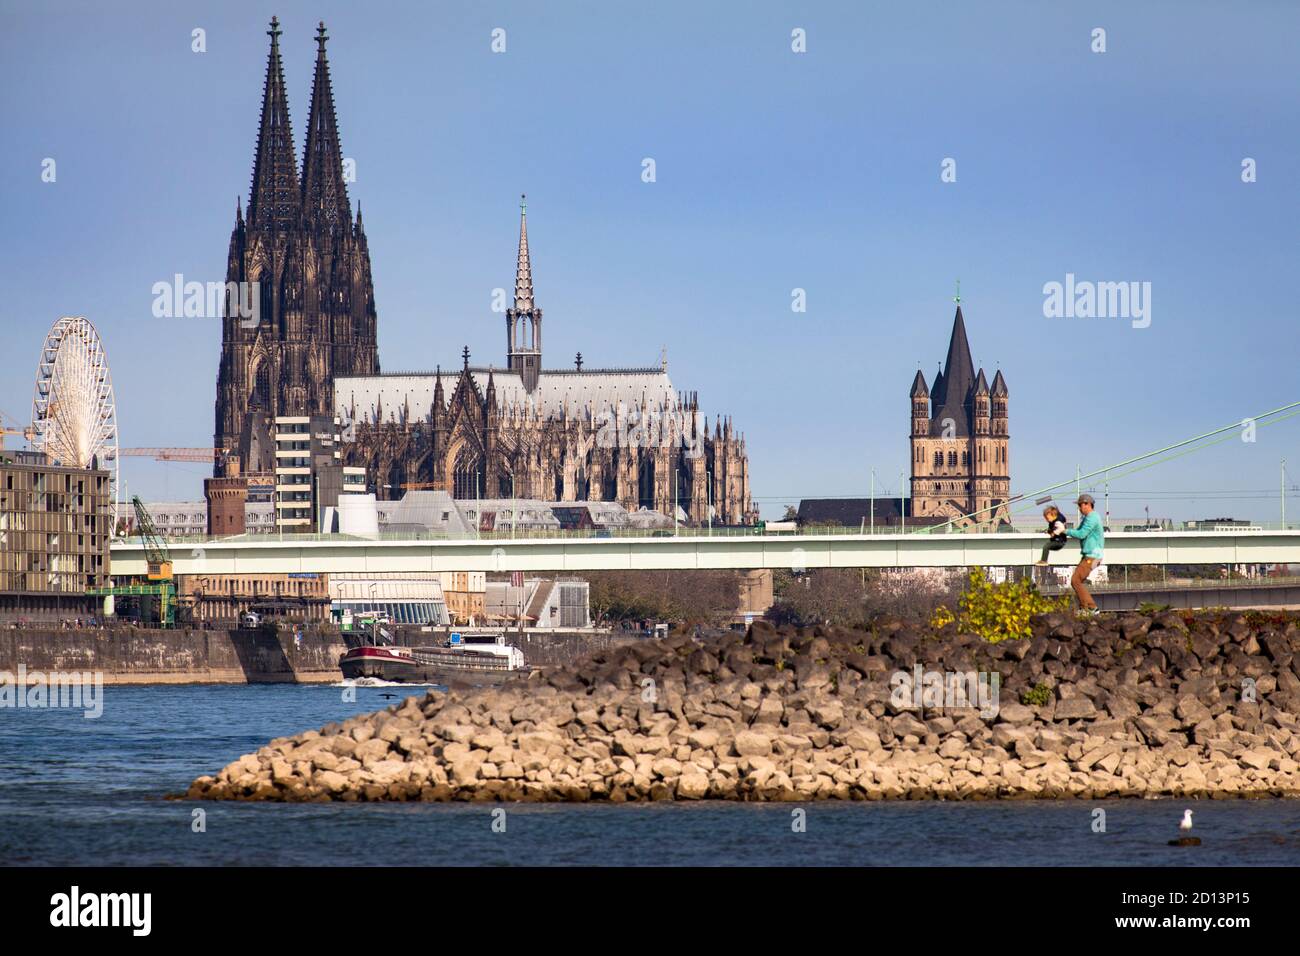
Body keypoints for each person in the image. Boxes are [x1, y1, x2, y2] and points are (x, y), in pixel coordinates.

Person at [1063, 493, 1104, 612]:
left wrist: (1065, 531)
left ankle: (1091, 608)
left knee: (1075, 580)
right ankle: (1085, 608)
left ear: (1088, 504)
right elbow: (1078, 531)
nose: (1079, 508)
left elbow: (1081, 534)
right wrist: (1060, 531)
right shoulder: (1088, 518)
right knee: (1077, 581)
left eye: (1080, 505)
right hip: (1090, 556)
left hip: (1093, 556)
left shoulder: (1092, 517)